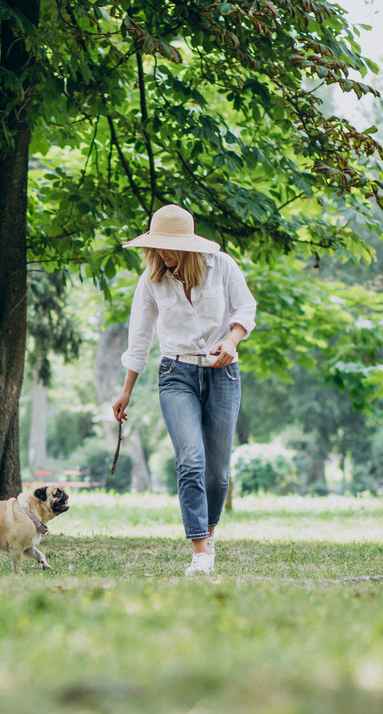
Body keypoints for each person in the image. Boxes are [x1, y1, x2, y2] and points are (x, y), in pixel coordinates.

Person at [111, 204, 256, 576]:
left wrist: (232, 341)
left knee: (218, 472)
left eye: (171, 245)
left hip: (223, 373)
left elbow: (246, 309)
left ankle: (209, 533)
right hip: (176, 373)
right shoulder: (151, 280)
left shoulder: (221, 266)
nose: (163, 252)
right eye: (158, 245)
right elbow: (139, 338)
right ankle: (200, 549)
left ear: (190, 245)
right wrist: (126, 389)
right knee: (190, 459)